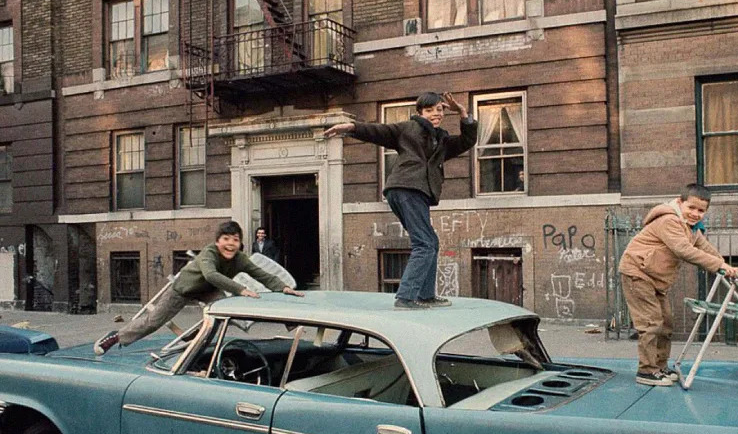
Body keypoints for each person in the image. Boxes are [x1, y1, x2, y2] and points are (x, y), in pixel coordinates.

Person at [324, 92, 477, 310]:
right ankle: (405, 297)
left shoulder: (441, 140)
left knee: (430, 242)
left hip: (416, 192)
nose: (435, 114)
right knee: (424, 243)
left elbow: (467, 141)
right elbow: (379, 131)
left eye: (439, 110)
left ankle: (425, 296)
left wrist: (463, 114)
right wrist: (351, 127)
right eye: (429, 110)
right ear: (420, 113)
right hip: (406, 187)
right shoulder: (408, 128)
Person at [94, 221, 304, 355]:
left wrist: (284, 287)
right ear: (217, 241)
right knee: (154, 321)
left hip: (210, 289)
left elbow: (263, 275)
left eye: (235, 240)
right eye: (225, 240)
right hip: (184, 288)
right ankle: (117, 336)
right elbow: (210, 274)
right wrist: (240, 289)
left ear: (240, 243)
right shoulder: (209, 253)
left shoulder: (240, 258)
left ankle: (199, 343)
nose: (230, 244)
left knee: (224, 313)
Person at [618, 184, 738, 386]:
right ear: (679, 202)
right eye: (691, 208)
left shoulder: (691, 227)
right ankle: (647, 371)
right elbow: (683, 250)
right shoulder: (669, 221)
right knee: (651, 323)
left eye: (701, 211)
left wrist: (726, 266)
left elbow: (705, 247)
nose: (695, 214)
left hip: (655, 277)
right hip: (637, 273)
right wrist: (718, 266)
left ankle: (659, 366)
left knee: (666, 322)